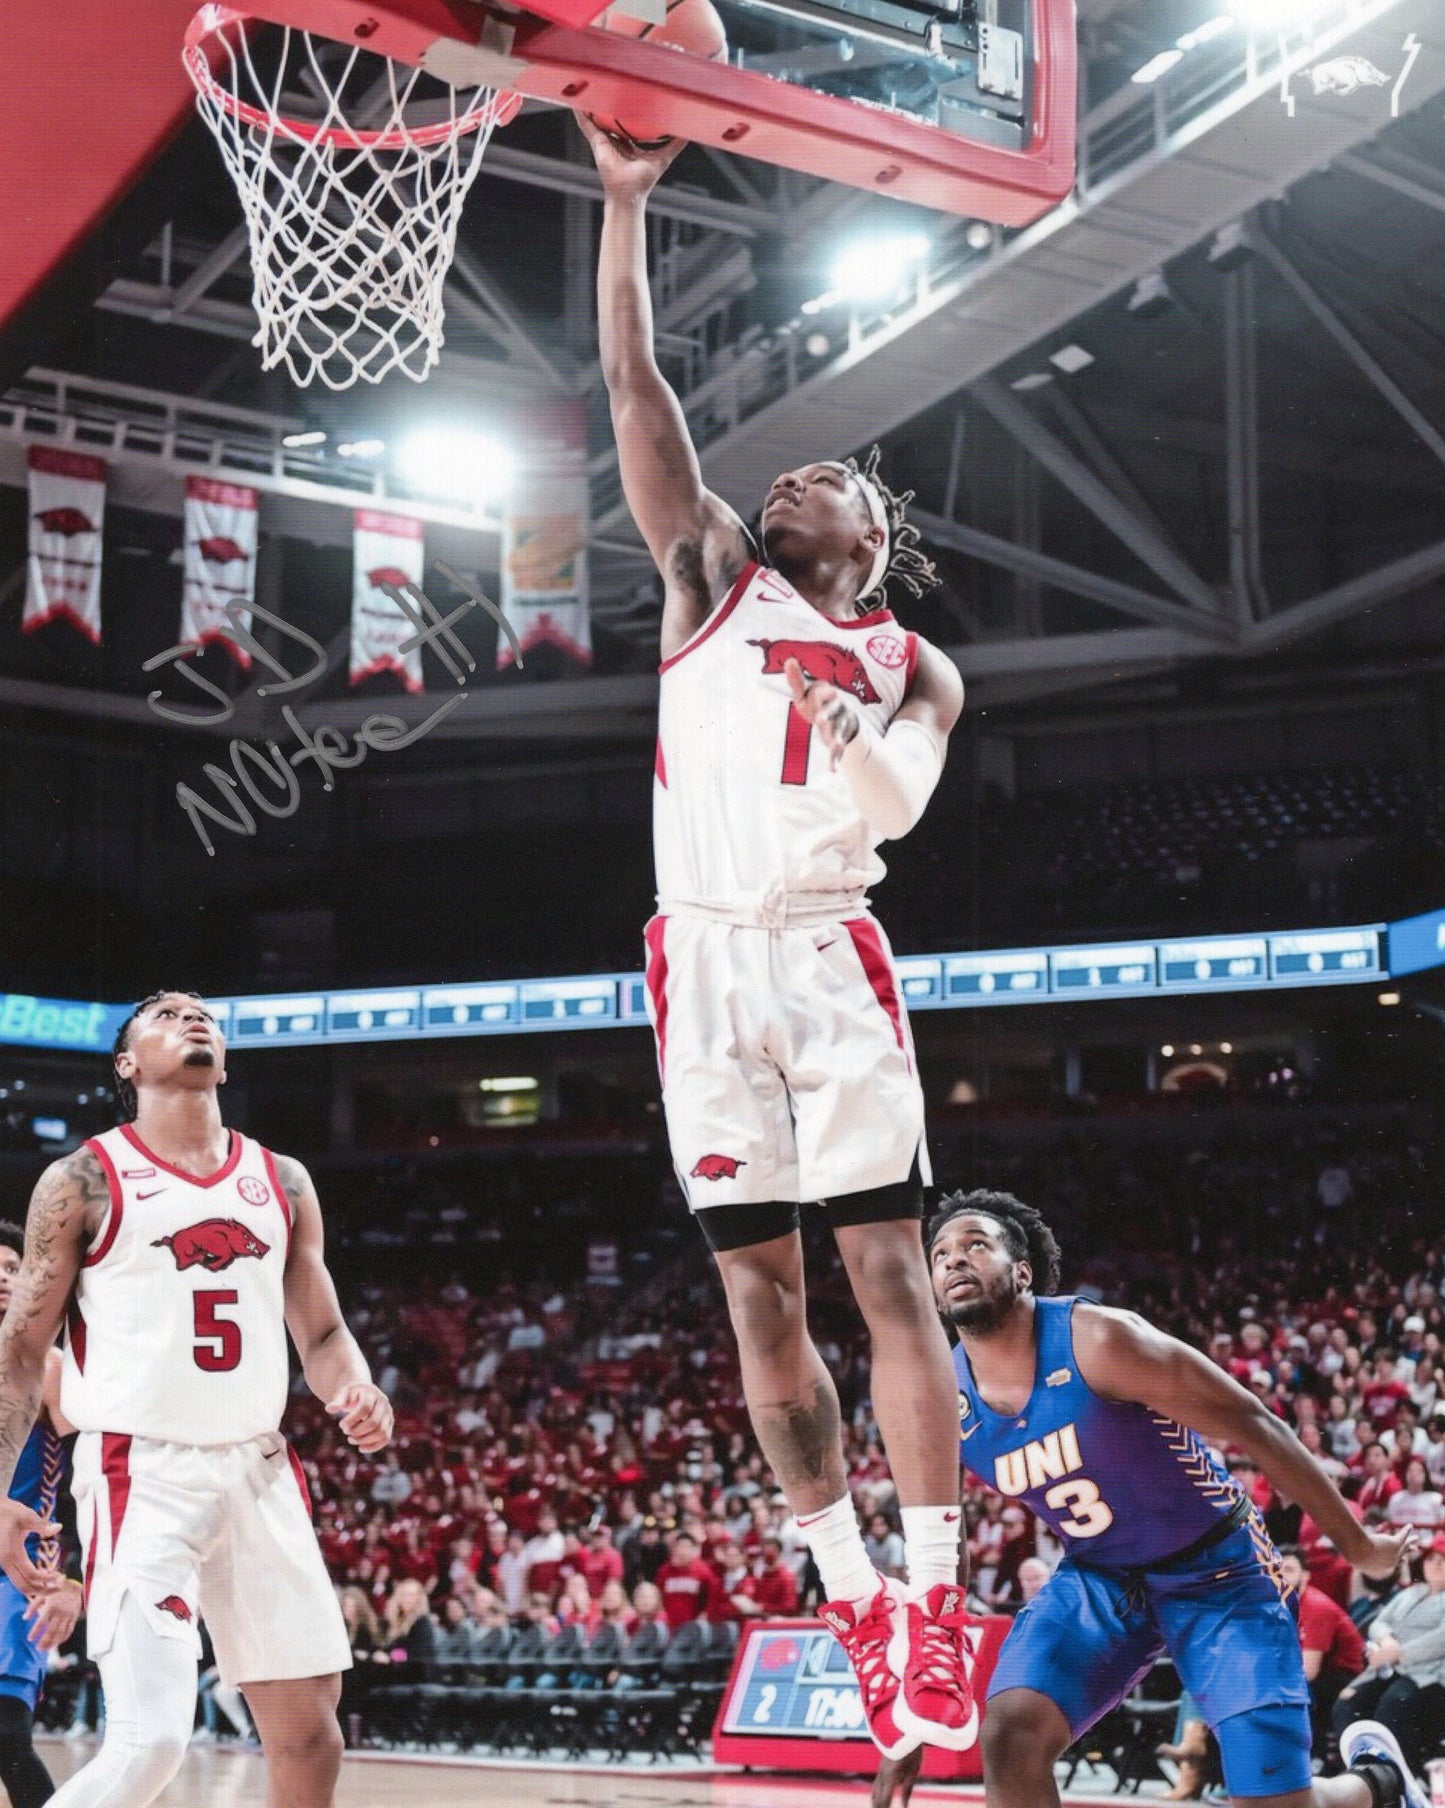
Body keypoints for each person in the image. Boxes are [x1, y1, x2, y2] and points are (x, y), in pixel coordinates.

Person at [579, 110, 972, 1762]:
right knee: (757, 1302)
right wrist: (620, 215)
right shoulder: (709, 583)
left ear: (868, 529)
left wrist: (856, 698)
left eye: (828, 472)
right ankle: (851, 1590)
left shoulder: (920, 666)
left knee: (885, 1266)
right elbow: (638, 402)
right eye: (784, 473)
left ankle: (938, 1591)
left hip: (824, 945)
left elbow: (885, 814)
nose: (791, 470)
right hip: (699, 954)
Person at [874, 1189, 1427, 1808]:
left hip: (1222, 1570)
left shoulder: (1101, 1341)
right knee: (1009, 1734)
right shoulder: (939, 1397)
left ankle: (1378, 1782)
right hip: (1102, 1576)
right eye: (940, 1252)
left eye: (976, 1244)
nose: (953, 1259)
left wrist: (1361, 1547)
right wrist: (916, 1715)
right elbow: (942, 1550)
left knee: (1277, 1803)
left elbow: (1255, 1423)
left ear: (1022, 1271)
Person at [0, 991, 394, 1808]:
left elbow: (320, 1338)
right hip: (140, 1470)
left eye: (201, 1011)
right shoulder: (80, 1180)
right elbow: (19, 1355)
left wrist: (352, 1388)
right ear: (127, 1063)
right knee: (151, 1744)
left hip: (257, 1466)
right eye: (165, 1014)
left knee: (311, 1737)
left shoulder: (281, 1179)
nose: (191, 1017)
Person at [0, 1222, 83, 1808]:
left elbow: (109, 1452)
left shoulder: (52, 1367)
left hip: (19, 1574)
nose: (4, 1279)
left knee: (5, 1736)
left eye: (14, 1269)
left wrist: (74, 1576)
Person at [1332, 1536, 1445, 1773]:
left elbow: (1439, 1640)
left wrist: (1397, 1653)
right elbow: (1379, 1622)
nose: (1436, 1565)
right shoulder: (1413, 1592)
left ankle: (1402, 1776)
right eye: (1432, 1559)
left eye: (1443, 1560)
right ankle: (1359, 1771)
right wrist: (1386, 1641)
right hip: (1387, 1664)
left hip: (1427, 1672)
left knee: (1393, 1704)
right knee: (1347, 1702)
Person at [1276, 1548, 1365, 1760]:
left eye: (1288, 1569)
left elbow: (1310, 1671)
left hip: (1345, 1676)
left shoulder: (1315, 1606)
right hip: (1313, 1672)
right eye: (1276, 1570)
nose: (1281, 1577)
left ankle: (1311, 1763)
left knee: (1292, 1695)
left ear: (1305, 1576)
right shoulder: (1280, 1605)